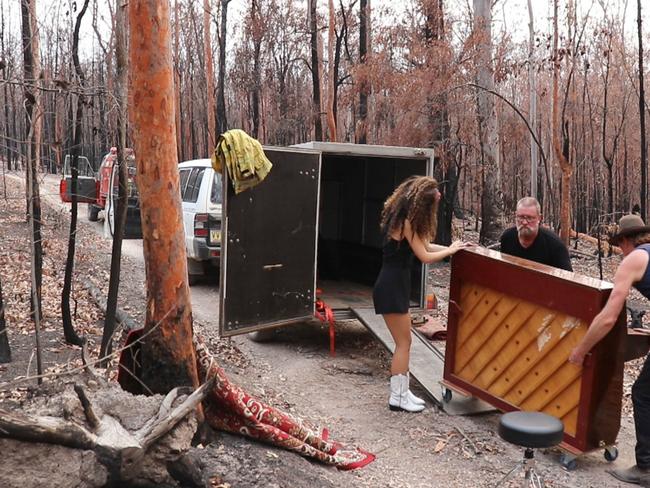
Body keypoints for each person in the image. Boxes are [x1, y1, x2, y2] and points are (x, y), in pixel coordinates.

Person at [372, 176, 471, 413]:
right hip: (392, 286)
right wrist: (450, 251)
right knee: (403, 343)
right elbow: (425, 257)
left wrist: (452, 249)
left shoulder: (403, 220)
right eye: (434, 198)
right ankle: (397, 397)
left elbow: (426, 246)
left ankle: (403, 392)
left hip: (394, 285)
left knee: (404, 342)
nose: (438, 200)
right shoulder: (406, 222)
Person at [568, 214, 650, 485]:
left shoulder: (634, 259)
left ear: (626, 241)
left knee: (643, 393)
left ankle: (645, 468)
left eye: (619, 245)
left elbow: (607, 318)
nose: (620, 251)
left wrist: (581, 349)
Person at [499, 196, 573, 271]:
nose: (524, 222)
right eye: (521, 217)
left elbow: (567, 279)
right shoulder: (507, 238)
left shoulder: (555, 246)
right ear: (515, 216)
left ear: (539, 218)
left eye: (530, 218)